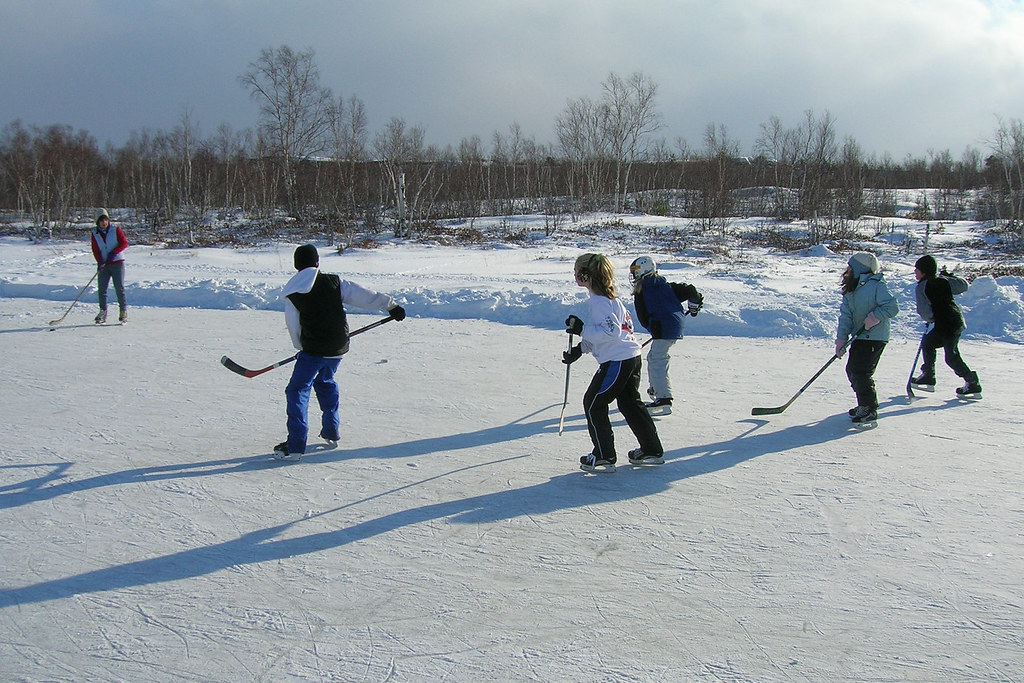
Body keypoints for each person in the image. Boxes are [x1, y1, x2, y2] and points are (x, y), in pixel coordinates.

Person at [274, 244, 406, 461]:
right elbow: (364, 296)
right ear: (317, 263)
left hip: (313, 350)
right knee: (325, 381)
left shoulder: (293, 291)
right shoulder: (334, 282)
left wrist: (302, 349)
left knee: (297, 390)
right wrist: (391, 306)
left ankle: (296, 445)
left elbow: (293, 326)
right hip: (338, 348)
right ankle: (331, 432)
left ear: (296, 266)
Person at [562, 253, 664, 472]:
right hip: (629, 357)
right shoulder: (609, 299)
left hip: (618, 361)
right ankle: (651, 449)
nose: (574, 273)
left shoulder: (600, 302)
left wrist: (581, 330)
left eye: (577, 270)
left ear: (587, 275)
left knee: (593, 403)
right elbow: (612, 334)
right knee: (629, 404)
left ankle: (603, 455)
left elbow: (610, 332)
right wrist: (581, 349)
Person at [628, 255, 703, 415]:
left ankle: (664, 399)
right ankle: (656, 388)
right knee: (655, 357)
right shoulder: (662, 285)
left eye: (635, 270)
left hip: (664, 326)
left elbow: (644, 315)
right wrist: (694, 303)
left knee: (657, 359)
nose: (633, 274)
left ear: (644, 269)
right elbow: (690, 291)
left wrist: (693, 303)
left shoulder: (648, 287)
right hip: (668, 326)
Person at [834, 252, 899, 424]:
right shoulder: (851, 289)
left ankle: (869, 408)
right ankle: (863, 404)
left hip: (875, 336)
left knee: (861, 372)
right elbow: (846, 316)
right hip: (860, 336)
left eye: (851, 267)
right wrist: (841, 340)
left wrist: (875, 316)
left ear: (859, 268)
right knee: (852, 370)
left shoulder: (877, 285)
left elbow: (892, 307)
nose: (847, 270)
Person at [910, 254, 981, 397]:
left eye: (917, 270)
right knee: (928, 343)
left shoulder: (922, 287)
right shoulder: (943, 281)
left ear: (924, 271)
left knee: (951, 356)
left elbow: (924, 312)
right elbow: (963, 285)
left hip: (948, 325)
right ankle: (928, 375)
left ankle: (972, 382)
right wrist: (950, 277)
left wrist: (930, 318)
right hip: (955, 321)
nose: (915, 273)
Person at [90, 208, 129, 324]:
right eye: (101, 220)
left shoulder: (115, 229)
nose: (104, 222)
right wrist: (100, 261)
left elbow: (124, 243)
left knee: (119, 288)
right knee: (102, 289)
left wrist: (114, 252)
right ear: (97, 222)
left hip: (117, 263)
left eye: (106, 220)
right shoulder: (95, 233)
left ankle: (123, 311)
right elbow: (95, 249)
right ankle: (103, 311)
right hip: (104, 265)